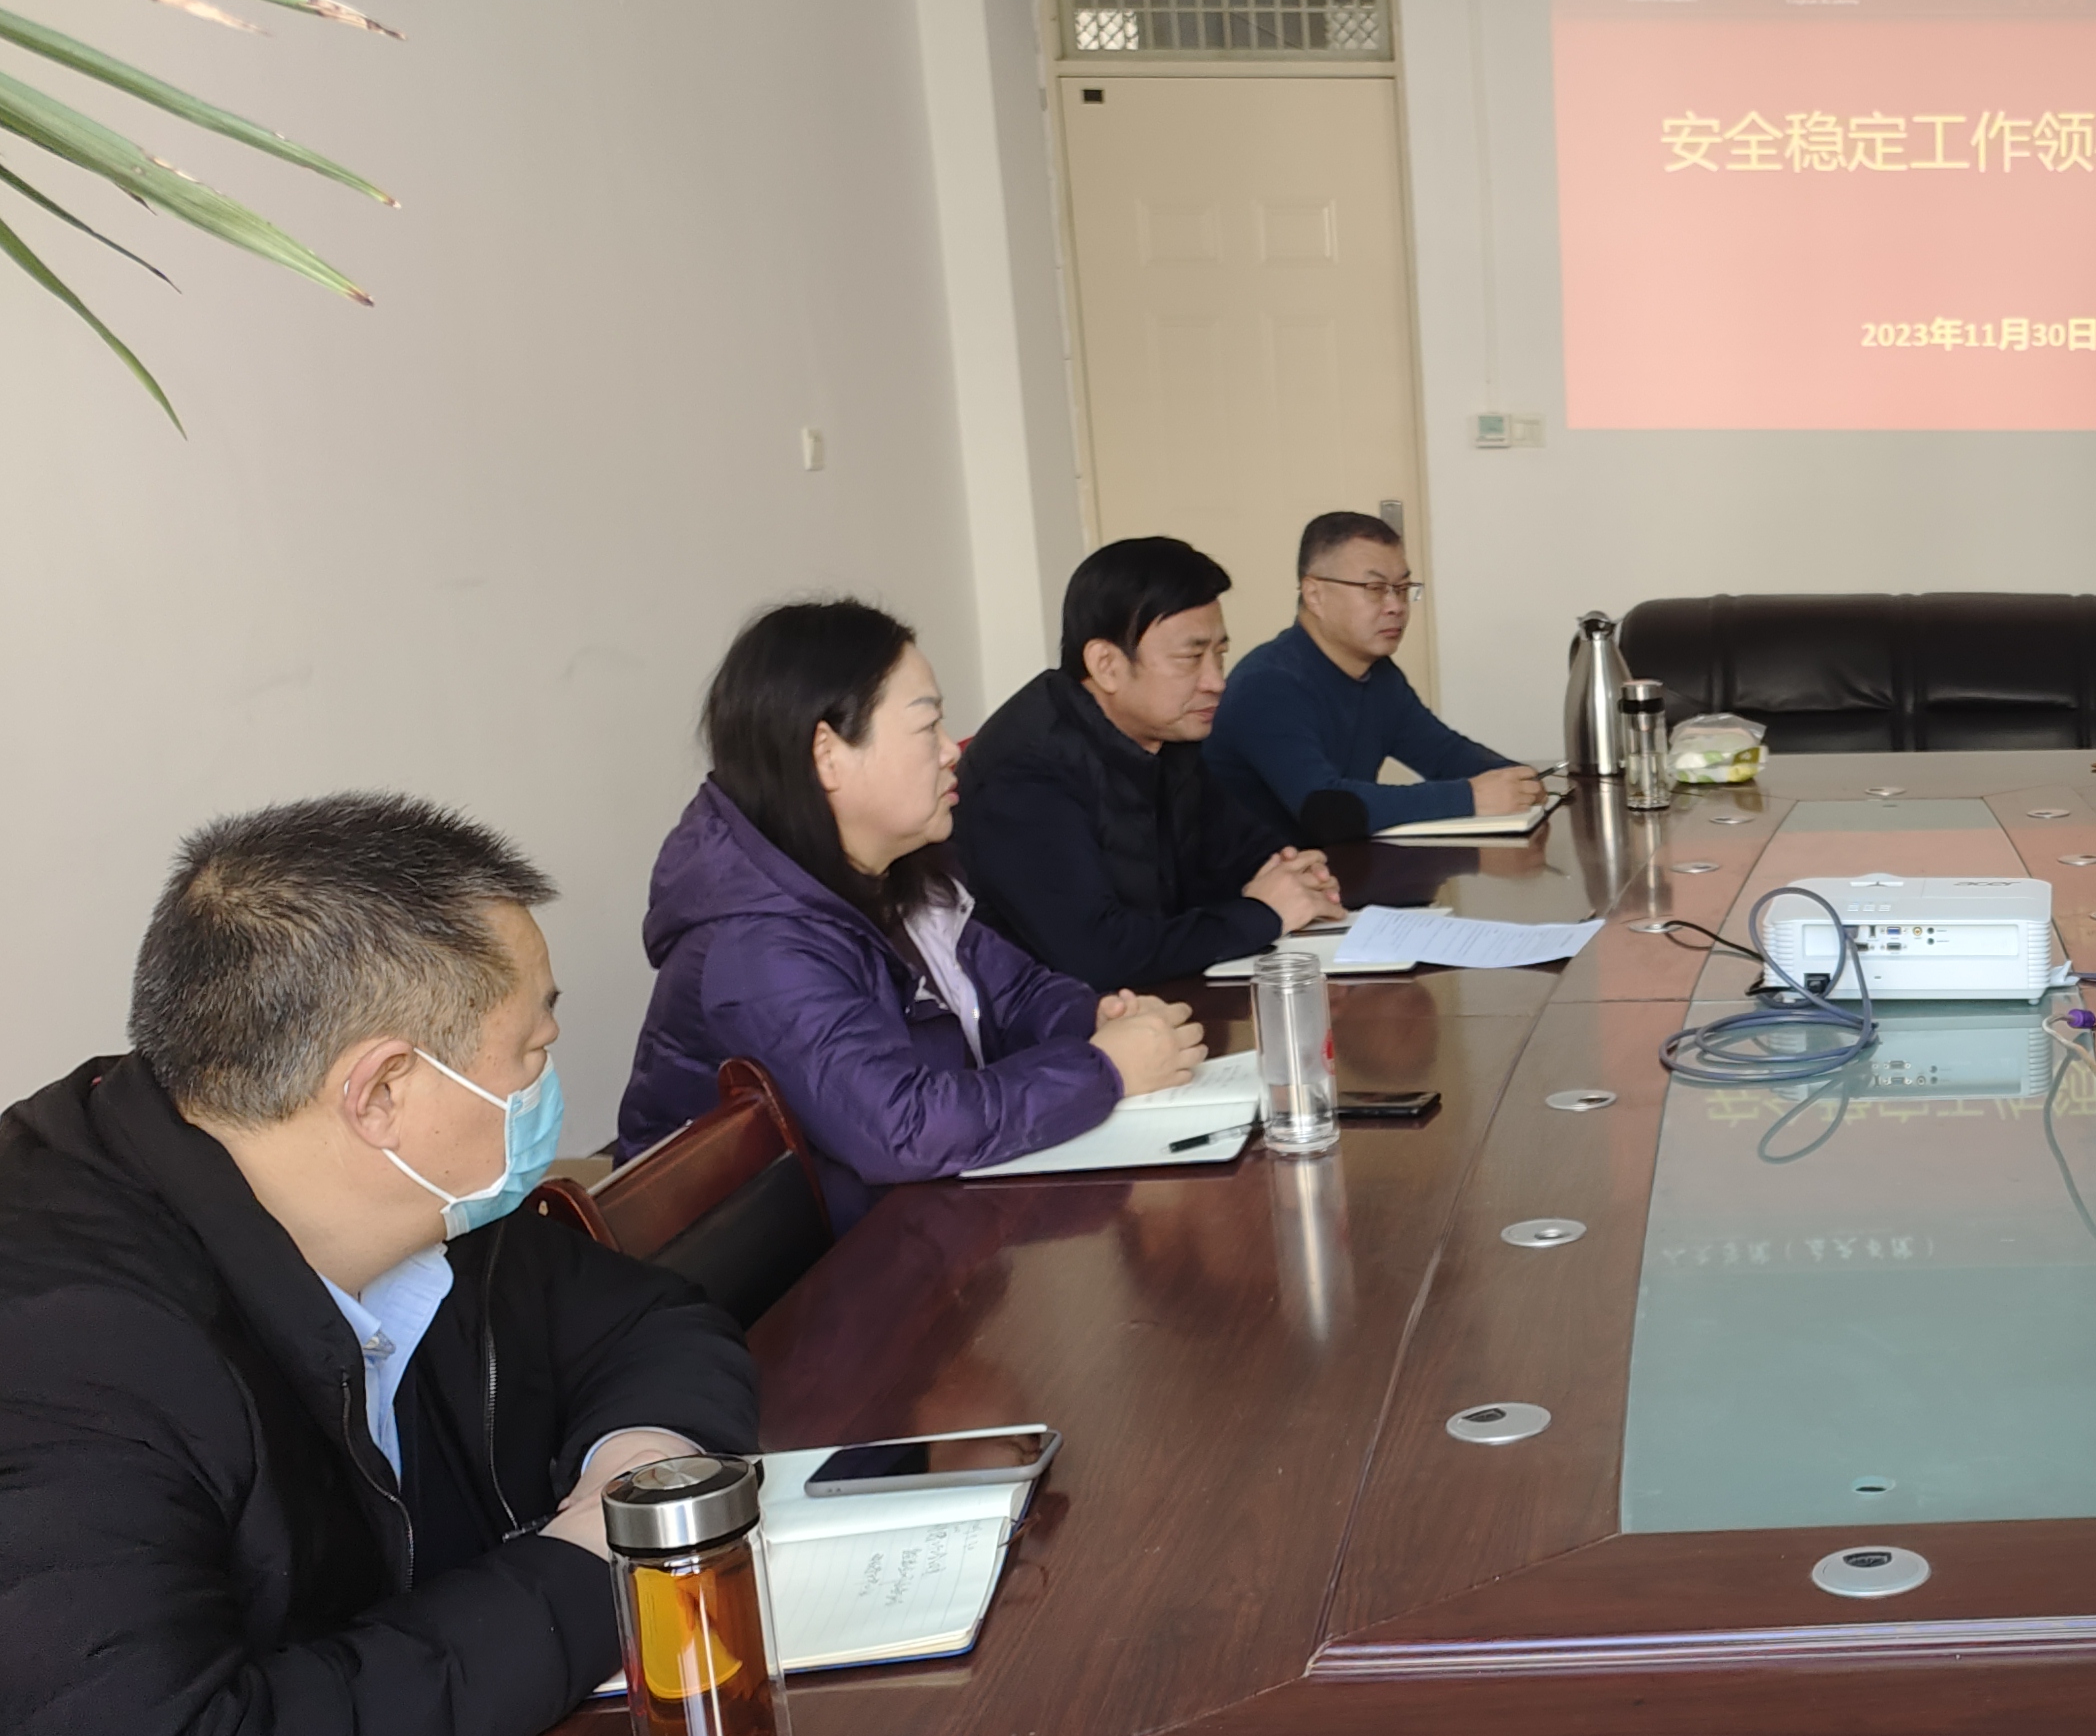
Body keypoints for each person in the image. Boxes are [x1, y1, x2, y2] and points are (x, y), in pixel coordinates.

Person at [0, 796, 761, 1736]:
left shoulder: (410, 1200)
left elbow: (649, 1320)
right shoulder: (56, 1348)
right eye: (531, 1045)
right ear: (386, 1090)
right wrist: (596, 1567)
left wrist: (638, 1463)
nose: (548, 1078)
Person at [619, 600, 1209, 1226]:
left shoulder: (894, 875)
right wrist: (1104, 1069)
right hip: (794, 1273)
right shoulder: (755, 947)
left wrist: (1097, 1018)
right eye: (927, 727)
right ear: (827, 755)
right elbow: (904, 1127)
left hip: (911, 1224)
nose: (952, 751)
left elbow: (1015, 992)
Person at [953, 536, 1346, 991]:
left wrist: (1296, 876)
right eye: (1191, 658)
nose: (1216, 681)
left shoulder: (1167, 734)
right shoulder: (1026, 774)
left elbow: (1245, 852)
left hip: (1160, 998)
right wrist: (1264, 913)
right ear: (1106, 664)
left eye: (1219, 654)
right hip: (1056, 1021)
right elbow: (1099, 954)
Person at [1210, 511, 1542, 844]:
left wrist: (1521, 779)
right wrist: (1468, 797)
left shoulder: (1379, 674)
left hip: (1337, 864)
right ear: (1314, 595)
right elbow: (1326, 808)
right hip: (1263, 874)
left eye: (1402, 588)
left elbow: (1444, 754)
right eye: (1375, 588)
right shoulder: (1268, 685)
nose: (1396, 606)